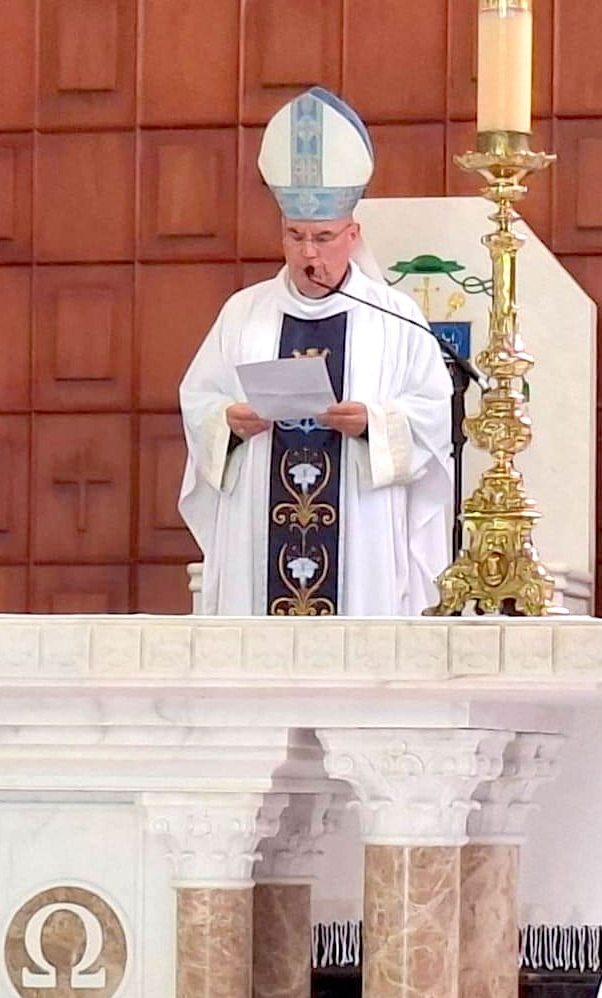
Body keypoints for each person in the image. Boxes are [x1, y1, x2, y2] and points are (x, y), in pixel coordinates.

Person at [177, 87, 453, 617]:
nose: (308, 252)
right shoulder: (244, 312)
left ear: (352, 234)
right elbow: (198, 401)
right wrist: (226, 422)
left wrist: (374, 423)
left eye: (323, 237)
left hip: (361, 534)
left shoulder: (394, 316)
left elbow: (434, 414)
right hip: (259, 535)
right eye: (295, 235)